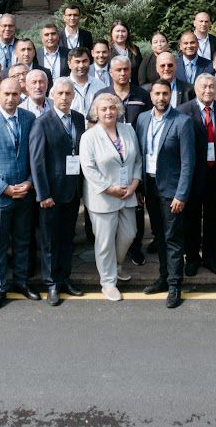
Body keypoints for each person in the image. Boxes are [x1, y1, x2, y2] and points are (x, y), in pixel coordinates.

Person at [0, 77, 41, 310]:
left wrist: (29, 182)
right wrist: (4, 188)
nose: (11, 98)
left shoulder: (29, 118)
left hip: (24, 193)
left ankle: (21, 282)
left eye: (15, 94)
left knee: (23, 242)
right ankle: (0, 288)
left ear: (20, 96)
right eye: (6, 94)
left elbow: (35, 156)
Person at [136, 80, 196, 308]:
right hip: (150, 187)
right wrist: (140, 188)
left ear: (171, 96)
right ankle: (163, 277)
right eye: (157, 94)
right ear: (151, 96)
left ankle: (174, 285)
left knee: (173, 238)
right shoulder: (143, 119)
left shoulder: (182, 121)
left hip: (172, 191)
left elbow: (188, 162)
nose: (161, 98)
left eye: (165, 94)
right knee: (159, 236)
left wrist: (181, 195)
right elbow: (140, 155)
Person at [80, 93, 142, 301]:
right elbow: (88, 168)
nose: (108, 112)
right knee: (105, 242)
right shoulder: (89, 136)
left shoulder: (128, 130)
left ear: (119, 110)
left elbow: (137, 160)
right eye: (104, 109)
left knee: (129, 234)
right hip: (103, 197)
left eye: (112, 108)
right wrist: (109, 188)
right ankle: (108, 282)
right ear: (96, 113)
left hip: (127, 192)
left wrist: (134, 183)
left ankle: (117, 266)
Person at [29, 78, 86, 304]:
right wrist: (43, 194)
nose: (64, 97)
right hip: (50, 194)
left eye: (68, 93)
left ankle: (65, 279)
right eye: (60, 93)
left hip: (72, 191)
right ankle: (52, 283)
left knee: (67, 239)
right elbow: (37, 162)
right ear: (52, 96)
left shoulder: (79, 119)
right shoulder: (41, 123)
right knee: (50, 241)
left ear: (73, 96)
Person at [178, 74, 216, 278]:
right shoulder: (183, 111)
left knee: (214, 219)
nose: (208, 90)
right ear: (196, 89)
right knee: (190, 219)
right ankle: (192, 258)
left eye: (211, 86)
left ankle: (211, 258)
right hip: (192, 175)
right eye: (204, 86)